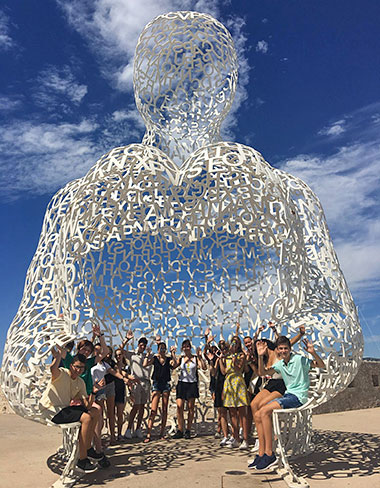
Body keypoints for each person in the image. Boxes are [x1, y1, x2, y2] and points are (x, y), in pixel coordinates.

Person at [250, 336, 325, 471]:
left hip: (298, 397)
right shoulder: (280, 364)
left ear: (290, 349)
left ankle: (269, 454)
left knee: (264, 411)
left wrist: (312, 352)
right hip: (288, 396)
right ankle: (261, 453)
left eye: (286, 348)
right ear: (277, 350)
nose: (283, 351)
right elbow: (262, 373)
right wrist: (260, 357)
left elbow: (321, 365)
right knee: (257, 413)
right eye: (281, 349)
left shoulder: (299, 360)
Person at [39, 346, 104, 473]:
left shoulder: (80, 382)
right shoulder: (62, 373)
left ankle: (88, 449)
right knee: (86, 418)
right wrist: (57, 356)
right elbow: (53, 369)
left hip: (64, 409)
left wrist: (94, 392)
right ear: (71, 365)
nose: (79, 370)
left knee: (95, 412)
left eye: (82, 368)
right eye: (77, 367)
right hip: (51, 409)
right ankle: (82, 459)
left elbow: (88, 405)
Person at [172, 339, 207, 439]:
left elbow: (203, 367)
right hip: (182, 384)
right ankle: (180, 429)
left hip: (192, 384)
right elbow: (174, 366)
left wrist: (200, 357)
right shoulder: (181, 358)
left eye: (188, 346)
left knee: (191, 407)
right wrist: (173, 354)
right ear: (182, 348)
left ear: (190, 348)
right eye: (184, 346)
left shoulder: (195, 358)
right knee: (179, 407)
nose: (186, 348)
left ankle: (188, 429)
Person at [219, 335, 250, 449]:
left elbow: (239, 368)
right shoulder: (228, 356)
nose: (233, 344)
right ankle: (235, 437)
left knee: (242, 412)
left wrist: (235, 360)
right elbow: (224, 372)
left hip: (238, 381)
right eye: (232, 342)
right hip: (229, 383)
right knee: (232, 413)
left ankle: (245, 439)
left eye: (236, 343)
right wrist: (221, 360)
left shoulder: (241, 355)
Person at [143, 342, 177, 442]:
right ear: (158, 349)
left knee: (165, 409)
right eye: (161, 349)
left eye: (164, 349)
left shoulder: (168, 359)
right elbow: (145, 364)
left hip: (165, 384)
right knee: (153, 409)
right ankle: (148, 434)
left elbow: (174, 365)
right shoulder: (155, 359)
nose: (162, 351)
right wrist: (147, 355)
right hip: (157, 383)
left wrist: (173, 354)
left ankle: (161, 433)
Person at [122, 331, 151, 439]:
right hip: (136, 382)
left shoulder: (147, 355)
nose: (142, 346)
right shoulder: (132, 355)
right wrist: (127, 339)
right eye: (141, 344)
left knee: (142, 406)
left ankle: (138, 429)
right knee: (136, 406)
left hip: (146, 382)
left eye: (144, 345)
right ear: (138, 344)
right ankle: (129, 429)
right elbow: (121, 351)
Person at [211, 339, 230, 446]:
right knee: (222, 412)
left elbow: (224, 371)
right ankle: (225, 435)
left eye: (225, 348)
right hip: (219, 385)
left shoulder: (230, 358)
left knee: (232, 412)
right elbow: (214, 373)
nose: (223, 350)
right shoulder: (219, 359)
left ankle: (233, 435)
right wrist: (212, 362)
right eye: (221, 348)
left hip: (229, 385)